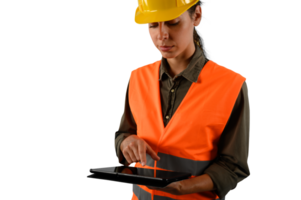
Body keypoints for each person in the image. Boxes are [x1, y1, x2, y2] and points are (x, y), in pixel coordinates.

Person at [114, 0, 251, 199]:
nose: (161, 35)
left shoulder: (231, 85)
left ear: (196, 15)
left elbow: (234, 167)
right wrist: (126, 143)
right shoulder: (137, 76)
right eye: (153, 25)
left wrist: (184, 187)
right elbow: (123, 133)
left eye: (172, 22)